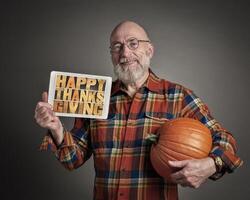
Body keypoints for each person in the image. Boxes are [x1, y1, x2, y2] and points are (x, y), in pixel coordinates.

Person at [34, 21, 243, 200]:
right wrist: (56, 129)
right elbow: (73, 159)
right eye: (117, 47)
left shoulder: (178, 96)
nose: (125, 53)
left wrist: (212, 163)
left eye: (133, 44)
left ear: (149, 50)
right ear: (112, 55)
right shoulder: (96, 96)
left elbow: (225, 140)